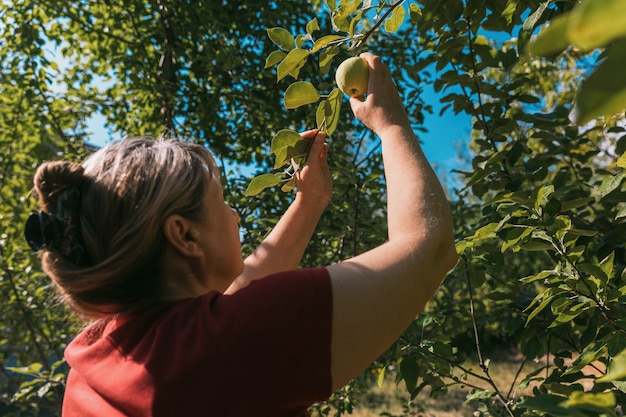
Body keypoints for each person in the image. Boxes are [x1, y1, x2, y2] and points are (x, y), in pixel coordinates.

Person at [26, 53, 457, 417]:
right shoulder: (231, 347)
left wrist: (308, 204)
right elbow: (429, 248)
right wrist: (392, 124)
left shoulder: (93, 354)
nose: (234, 215)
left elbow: (228, 306)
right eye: (220, 202)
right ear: (184, 237)